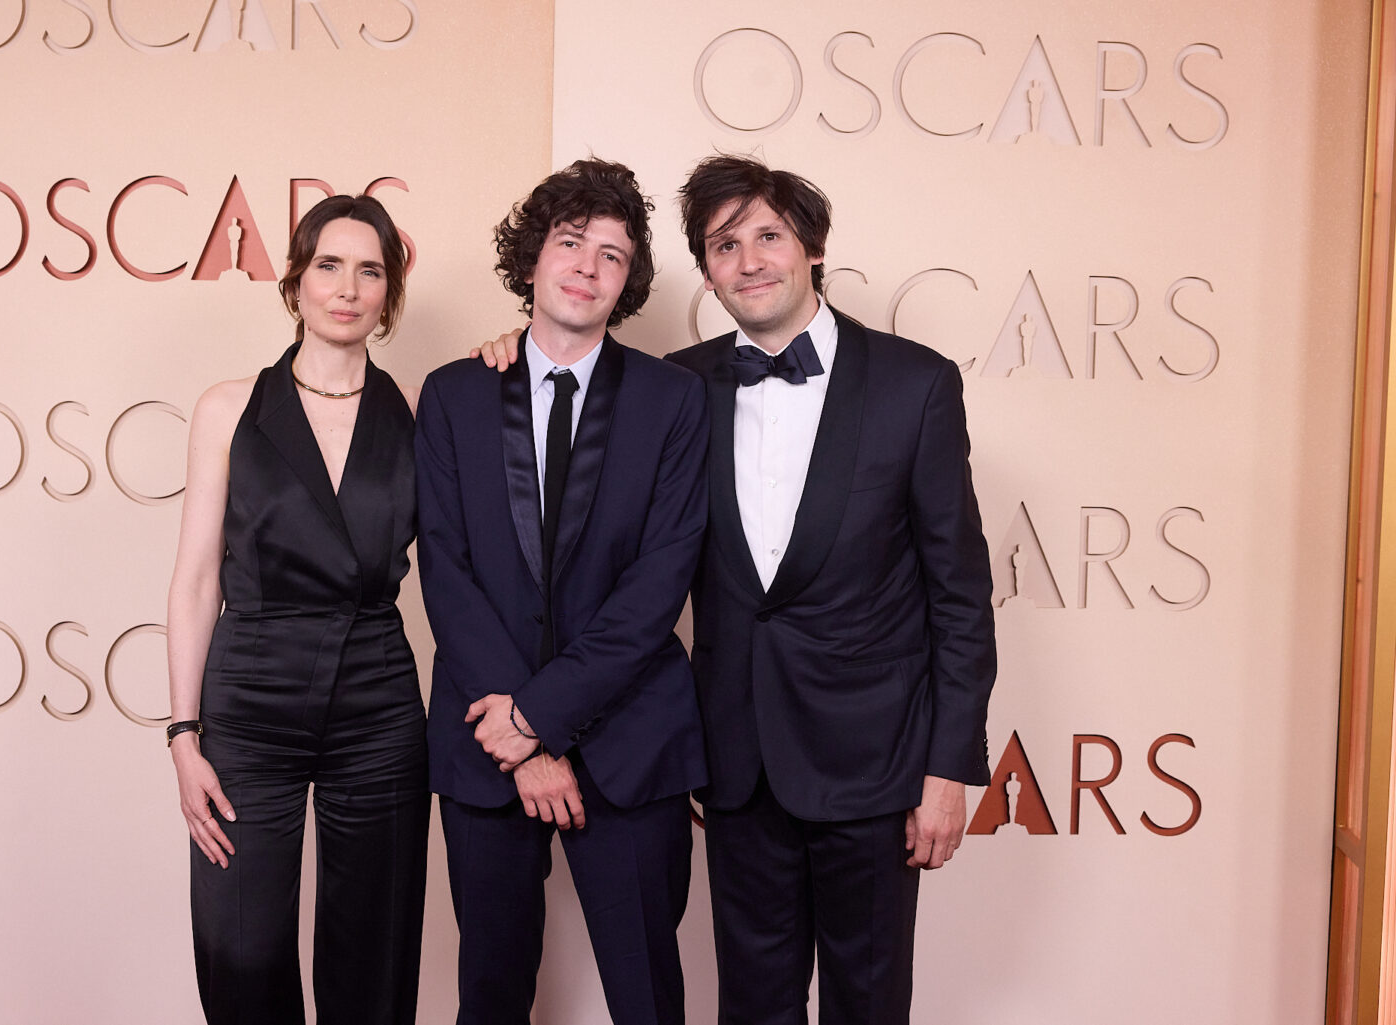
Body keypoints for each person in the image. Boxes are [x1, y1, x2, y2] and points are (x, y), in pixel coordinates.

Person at [667, 155, 996, 1024]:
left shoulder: (914, 384)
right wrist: (505, 353)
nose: (749, 260)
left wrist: (947, 768)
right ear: (707, 270)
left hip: (879, 768)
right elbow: (568, 385)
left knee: (870, 1003)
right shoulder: (676, 387)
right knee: (753, 1004)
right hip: (739, 767)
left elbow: (958, 592)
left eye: (768, 235)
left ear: (811, 247)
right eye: (724, 244)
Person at [416, 159, 709, 1025]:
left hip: (629, 741)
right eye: (572, 243)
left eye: (613, 255)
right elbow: (445, 568)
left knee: (648, 998)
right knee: (491, 995)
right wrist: (521, 739)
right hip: (485, 742)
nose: (588, 265)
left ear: (628, 284)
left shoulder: (673, 400)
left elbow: (660, 581)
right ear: (533, 260)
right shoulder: (454, 392)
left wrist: (540, 717)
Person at [166, 194, 428, 1025]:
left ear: (389, 292)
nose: (347, 287)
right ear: (296, 281)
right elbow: (197, 579)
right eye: (328, 265)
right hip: (249, 702)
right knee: (240, 948)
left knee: (374, 951)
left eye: (370, 269)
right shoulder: (227, 407)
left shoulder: (423, 412)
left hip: (378, 703)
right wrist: (182, 734)